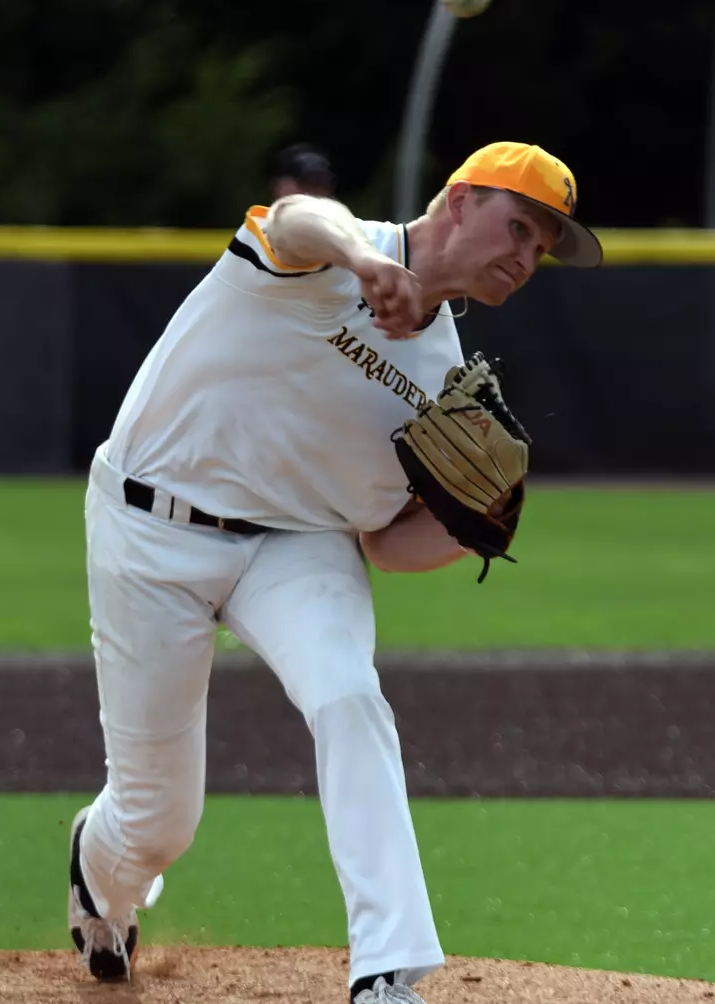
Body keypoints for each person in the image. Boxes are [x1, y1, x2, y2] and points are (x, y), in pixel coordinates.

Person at [65, 142, 604, 1004]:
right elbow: (293, 219)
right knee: (158, 822)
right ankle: (102, 878)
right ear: (460, 202)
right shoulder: (327, 251)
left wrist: (474, 531)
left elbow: (386, 546)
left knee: (350, 696)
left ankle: (386, 971)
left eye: (542, 248)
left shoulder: (444, 381)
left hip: (297, 544)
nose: (527, 256)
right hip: (149, 527)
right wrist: (360, 258)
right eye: (521, 227)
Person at [270, 142, 339, 200]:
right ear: (279, 186)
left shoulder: (339, 214)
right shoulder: (261, 215)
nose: (313, 193)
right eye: (306, 183)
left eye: (321, 184)